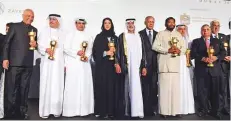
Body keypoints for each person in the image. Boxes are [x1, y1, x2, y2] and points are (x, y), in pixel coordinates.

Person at [2, 9, 37, 119]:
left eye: (32, 16)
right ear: (23, 15)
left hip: (28, 64)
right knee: (12, 89)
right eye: (28, 16)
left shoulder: (34, 29)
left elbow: (35, 45)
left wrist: (36, 44)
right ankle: (10, 113)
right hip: (15, 64)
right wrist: (5, 58)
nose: (30, 18)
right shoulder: (14, 26)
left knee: (24, 89)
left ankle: (22, 113)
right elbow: (6, 43)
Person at [152, 17, 185, 117]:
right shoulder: (160, 34)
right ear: (165, 24)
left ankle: (176, 111)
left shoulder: (178, 34)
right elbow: (155, 46)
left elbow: (184, 48)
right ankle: (164, 112)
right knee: (164, 90)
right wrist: (167, 50)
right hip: (164, 66)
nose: (171, 24)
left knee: (175, 90)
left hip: (175, 66)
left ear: (175, 24)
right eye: (169, 22)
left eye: (173, 22)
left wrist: (179, 51)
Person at [190, 24, 225, 119]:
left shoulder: (217, 41)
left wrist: (216, 57)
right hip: (201, 71)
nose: (205, 31)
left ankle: (215, 111)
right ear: (201, 31)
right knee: (202, 92)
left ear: (210, 31)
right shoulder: (196, 41)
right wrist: (203, 58)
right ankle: (203, 110)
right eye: (203, 30)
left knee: (215, 92)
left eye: (207, 29)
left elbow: (223, 52)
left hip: (215, 70)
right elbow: (193, 54)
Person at [62, 18, 94, 117]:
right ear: (75, 24)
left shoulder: (89, 36)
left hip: (84, 65)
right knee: (72, 86)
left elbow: (90, 50)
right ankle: (71, 111)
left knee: (85, 86)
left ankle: (85, 110)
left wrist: (87, 57)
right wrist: (77, 52)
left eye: (83, 23)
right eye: (79, 23)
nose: (81, 25)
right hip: (73, 64)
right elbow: (66, 48)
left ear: (85, 25)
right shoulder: (69, 35)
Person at [92, 18, 122, 119]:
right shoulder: (99, 37)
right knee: (102, 89)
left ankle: (111, 112)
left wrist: (117, 64)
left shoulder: (116, 38)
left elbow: (119, 54)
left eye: (109, 23)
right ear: (103, 25)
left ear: (112, 25)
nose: (107, 25)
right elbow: (95, 52)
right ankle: (102, 111)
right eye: (105, 23)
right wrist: (106, 53)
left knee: (112, 89)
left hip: (113, 68)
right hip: (102, 68)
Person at [117, 18, 146, 118]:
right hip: (127, 67)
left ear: (134, 24)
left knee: (137, 89)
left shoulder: (139, 37)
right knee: (126, 89)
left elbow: (144, 52)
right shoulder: (122, 36)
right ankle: (126, 112)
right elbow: (118, 53)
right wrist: (118, 64)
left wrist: (144, 66)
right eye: (128, 23)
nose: (130, 25)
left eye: (132, 23)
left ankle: (137, 111)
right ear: (126, 25)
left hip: (137, 68)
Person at [37, 14, 65, 118]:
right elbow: (39, 45)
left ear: (58, 21)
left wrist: (65, 64)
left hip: (59, 64)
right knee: (46, 84)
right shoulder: (44, 31)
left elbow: (65, 50)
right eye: (50, 19)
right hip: (47, 64)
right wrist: (45, 49)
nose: (51, 21)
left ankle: (56, 110)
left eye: (54, 19)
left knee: (57, 85)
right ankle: (45, 111)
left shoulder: (63, 33)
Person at [138, 16, 158, 116]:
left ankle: (152, 109)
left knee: (154, 89)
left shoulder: (158, 34)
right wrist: (142, 66)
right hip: (145, 66)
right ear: (145, 22)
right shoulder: (139, 34)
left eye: (152, 22)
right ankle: (145, 109)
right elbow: (140, 52)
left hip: (155, 66)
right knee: (145, 89)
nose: (151, 23)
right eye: (149, 22)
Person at [210, 20, 230, 116]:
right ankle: (216, 109)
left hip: (224, 66)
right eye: (214, 25)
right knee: (215, 90)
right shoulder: (208, 37)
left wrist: (229, 56)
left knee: (224, 89)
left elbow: (228, 49)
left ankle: (225, 108)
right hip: (214, 66)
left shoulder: (224, 36)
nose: (216, 27)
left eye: (218, 25)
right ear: (211, 27)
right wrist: (222, 56)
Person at [176, 24, 195, 115]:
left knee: (186, 84)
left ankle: (187, 107)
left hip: (186, 66)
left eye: (184, 29)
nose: (182, 31)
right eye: (180, 29)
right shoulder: (173, 40)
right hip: (177, 65)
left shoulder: (190, 42)